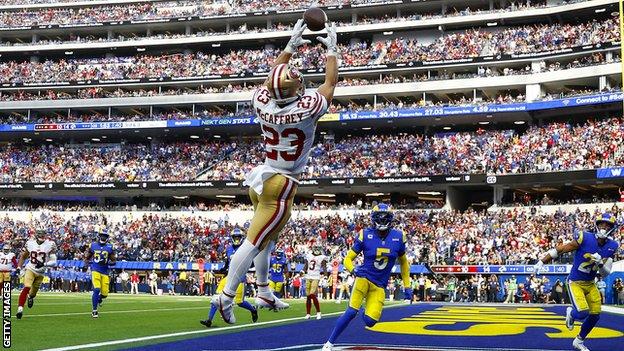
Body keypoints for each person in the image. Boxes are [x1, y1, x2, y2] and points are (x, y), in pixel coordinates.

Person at [211, 18, 338, 324]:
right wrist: (332, 48)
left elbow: (272, 81)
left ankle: (264, 289)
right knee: (254, 241)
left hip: (262, 177)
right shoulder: (306, 107)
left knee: (267, 239)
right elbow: (330, 83)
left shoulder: (261, 101)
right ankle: (226, 296)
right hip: (281, 183)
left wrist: (290, 46)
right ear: (298, 89)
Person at [322, 204, 412, 351]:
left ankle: (364, 310)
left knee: (370, 321)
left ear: (391, 219)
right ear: (373, 219)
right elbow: (347, 259)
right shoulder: (365, 234)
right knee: (351, 312)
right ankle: (329, 343)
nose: (382, 222)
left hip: (379, 285)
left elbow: (404, 263)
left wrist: (407, 286)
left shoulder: (398, 236)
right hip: (363, 278)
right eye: (379, 218)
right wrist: (353, 270)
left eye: (385, 218)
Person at [535, 213, 620, 351]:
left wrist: (600, 264)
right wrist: (542, 261)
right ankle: (571, 313)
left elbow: (605, 273)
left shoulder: (612, 245)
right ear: (596, 225)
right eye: (601, 224)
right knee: (582, 313)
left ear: (612, 228)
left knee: (595, 315)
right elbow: (562, 249)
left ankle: (579, 341)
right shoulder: (585, 238)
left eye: (608, 225)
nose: (604, 227)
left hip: (591, 283)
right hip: (575, 281)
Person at [201, 228, 258, 327]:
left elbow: (252, 263)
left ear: (241, 238)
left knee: (240, 302)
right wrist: (222, 269)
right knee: (216, 298)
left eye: (238, 237)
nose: (236, 238)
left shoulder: (245, 248)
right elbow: (227, 263)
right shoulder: (229, 249)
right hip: (228, 277)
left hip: (240, 278)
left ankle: (253, 310)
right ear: (232, 237)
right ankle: (209, 320)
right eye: (235, 237)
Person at [16, 229, 57, 319]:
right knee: (27, 286)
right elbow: (23, 256)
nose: (42, 237)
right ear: (36, 236)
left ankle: (30, 297)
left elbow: (54, 261)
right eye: (40, 235)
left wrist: (44, 264)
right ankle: (20, 309)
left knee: (33, 293)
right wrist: (19, 267)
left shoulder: (50, 244)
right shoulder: (30, 243)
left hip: (41, 272)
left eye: (43, 235)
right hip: (30, 269)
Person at [83, 229, 116, 318]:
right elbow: (87, 257)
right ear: (99, 235)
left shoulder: (109, 247)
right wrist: (86, 264)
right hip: (95, 270)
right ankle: (94, 310)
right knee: (96, 289)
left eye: (105, 236)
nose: (104, 237)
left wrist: (107, 263)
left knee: (105, 294)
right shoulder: (93, 245)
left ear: (107, 237)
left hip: (105, 272)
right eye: (102, 235)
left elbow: (114, 261)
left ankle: (99, 299)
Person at [303, 246, 327, 319]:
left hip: (316, 277)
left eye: (318, 249)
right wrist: (303, 271)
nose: (317, 251)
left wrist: (325, 275)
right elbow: (306, 265)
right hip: (308, 276)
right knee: (308, 296)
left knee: (312, 294)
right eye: (316, 249)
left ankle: (318, 312)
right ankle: (308, 314)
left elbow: (324, 267)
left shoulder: (322, 257)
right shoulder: (309, 256)